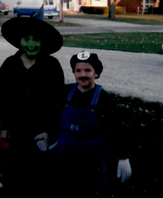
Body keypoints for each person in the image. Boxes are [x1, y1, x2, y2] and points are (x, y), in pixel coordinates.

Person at [0, 17, 64, 197]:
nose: (31, 44)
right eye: (26, 39)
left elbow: (57, 102)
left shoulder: (51, 66)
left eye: (36, 40)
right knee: (13, 174)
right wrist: (4, 125)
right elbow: (1, 96)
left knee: (39, 177)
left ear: (43, 42)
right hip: (14, 131)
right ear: (19, 41)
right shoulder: (10, 64)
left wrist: (49, 131)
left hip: (39, 132)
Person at [52, 51, 132, 197]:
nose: (83, 74)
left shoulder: (103, 99)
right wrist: (46, 134)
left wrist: (123, 157)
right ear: (74, 73)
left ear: (96, 73)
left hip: (91, 162)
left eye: (88, 70)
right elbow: (52, 117)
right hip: (64, 157)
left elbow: (116, 129)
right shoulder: (64, 93)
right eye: (78, 70)